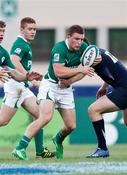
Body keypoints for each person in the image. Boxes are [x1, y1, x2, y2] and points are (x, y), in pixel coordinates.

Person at [12, 24, 102, 160]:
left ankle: (58, 139)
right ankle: (20, 148)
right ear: (68, 36)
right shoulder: (59, 48)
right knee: (45, 117)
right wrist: (80, 69)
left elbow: (87, 71)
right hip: (50, 86)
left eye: (81, 39)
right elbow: (58, 71)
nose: (79, 42)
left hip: (66, 89)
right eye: (76, 39)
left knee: (71, 126)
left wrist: (70, 81)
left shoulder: (84, 48)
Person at [0, 18, 55, 160]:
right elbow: (14, 60)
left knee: (40, 115)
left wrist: (28, 78)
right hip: (14, 88)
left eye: (3, 31)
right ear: (22, 30)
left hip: (22, 87)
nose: (1, 34)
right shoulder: (21, 44)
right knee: (3, 121)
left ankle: (39, 150)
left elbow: (13, 72)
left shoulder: (3, 52)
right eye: (30, 29)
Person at [59, 47, 127, 158]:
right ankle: (102, 148)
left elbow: (83, 73)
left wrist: (68, 81)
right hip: (123, 86)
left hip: (124, 89)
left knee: (93, 109)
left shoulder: (92, 55)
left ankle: (102, 148)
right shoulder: (98, 52)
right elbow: (110, 72)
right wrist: (104, 87)